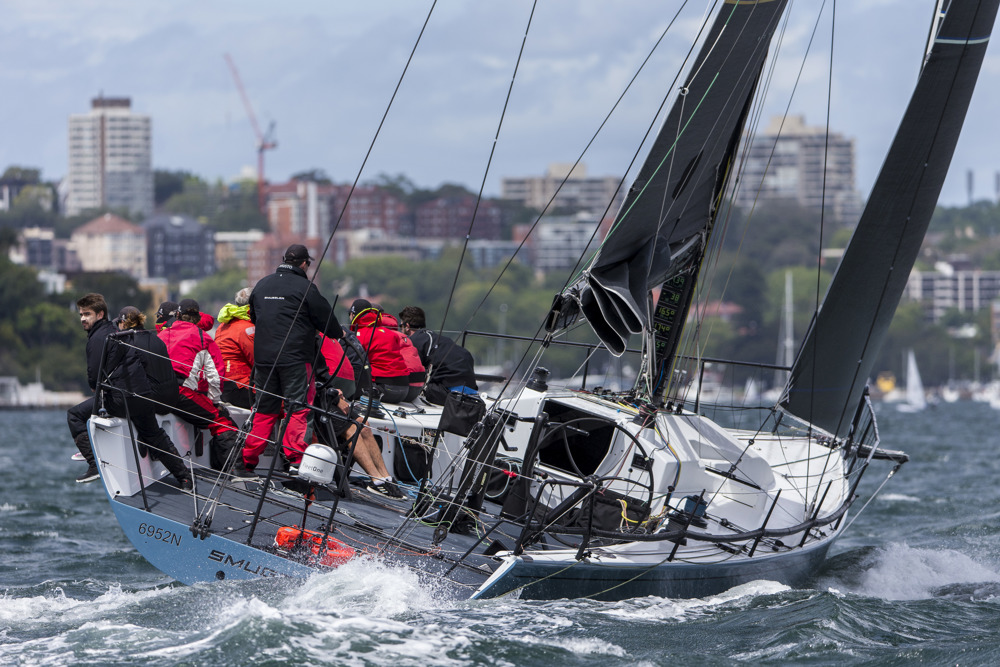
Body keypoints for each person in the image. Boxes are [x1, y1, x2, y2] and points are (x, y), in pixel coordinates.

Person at [243, 244, 345, 475]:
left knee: (264, 409)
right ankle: (296, 460)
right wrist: (339, 334)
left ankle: (248, 459)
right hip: (296, 359)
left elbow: (255, 316)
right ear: (304, 264)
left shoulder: (262, 284)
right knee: (297, 408)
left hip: (264, 359)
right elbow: (329, 325)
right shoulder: (306, 287)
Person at [102, 306, 192, 489]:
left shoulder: (128, 343)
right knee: (144, 418)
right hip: (171, 396)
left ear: (123, 323)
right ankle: (175, 469)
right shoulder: (156, 338)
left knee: (146, 424)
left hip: (154, 398)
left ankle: (181, 474)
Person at [158, 298, 241, 470]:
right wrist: (215, 402)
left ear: (178, 315)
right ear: (197, 318)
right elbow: (215, 374)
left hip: (157, 392)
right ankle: (235, 471)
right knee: (221, 421)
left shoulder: (161, 335)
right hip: (181, 392)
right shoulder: (202, 338)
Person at [66, 293, 117, 482]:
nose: (82, 319)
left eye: (87, 314)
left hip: (112, 394)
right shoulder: (112, 329)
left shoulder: (97, 338)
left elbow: (95, 371)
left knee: (74, 415)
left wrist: (94, 387)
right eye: (80, 314)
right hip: (120, 391)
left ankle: (93, 463)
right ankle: (93, 448)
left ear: (100, 314)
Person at [398, 305, 478, 405]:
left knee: (418, 387)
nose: (400, 329)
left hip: (450, 394)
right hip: (471, 392)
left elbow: (412, 371)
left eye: (400, 326)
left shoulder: (414, 341)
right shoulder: (436, 338)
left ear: (407, 326)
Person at [348, 299, 412, 404]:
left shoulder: (359, 335)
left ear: (352, 314)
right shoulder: (391, 334)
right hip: (404, 391)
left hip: (383, 390)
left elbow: (351, 362)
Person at [215, 287, 255, 409]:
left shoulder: (223, 325)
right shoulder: (247, 329)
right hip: (241, 386)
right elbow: (259, 361)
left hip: (222, 386)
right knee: (280, 404)